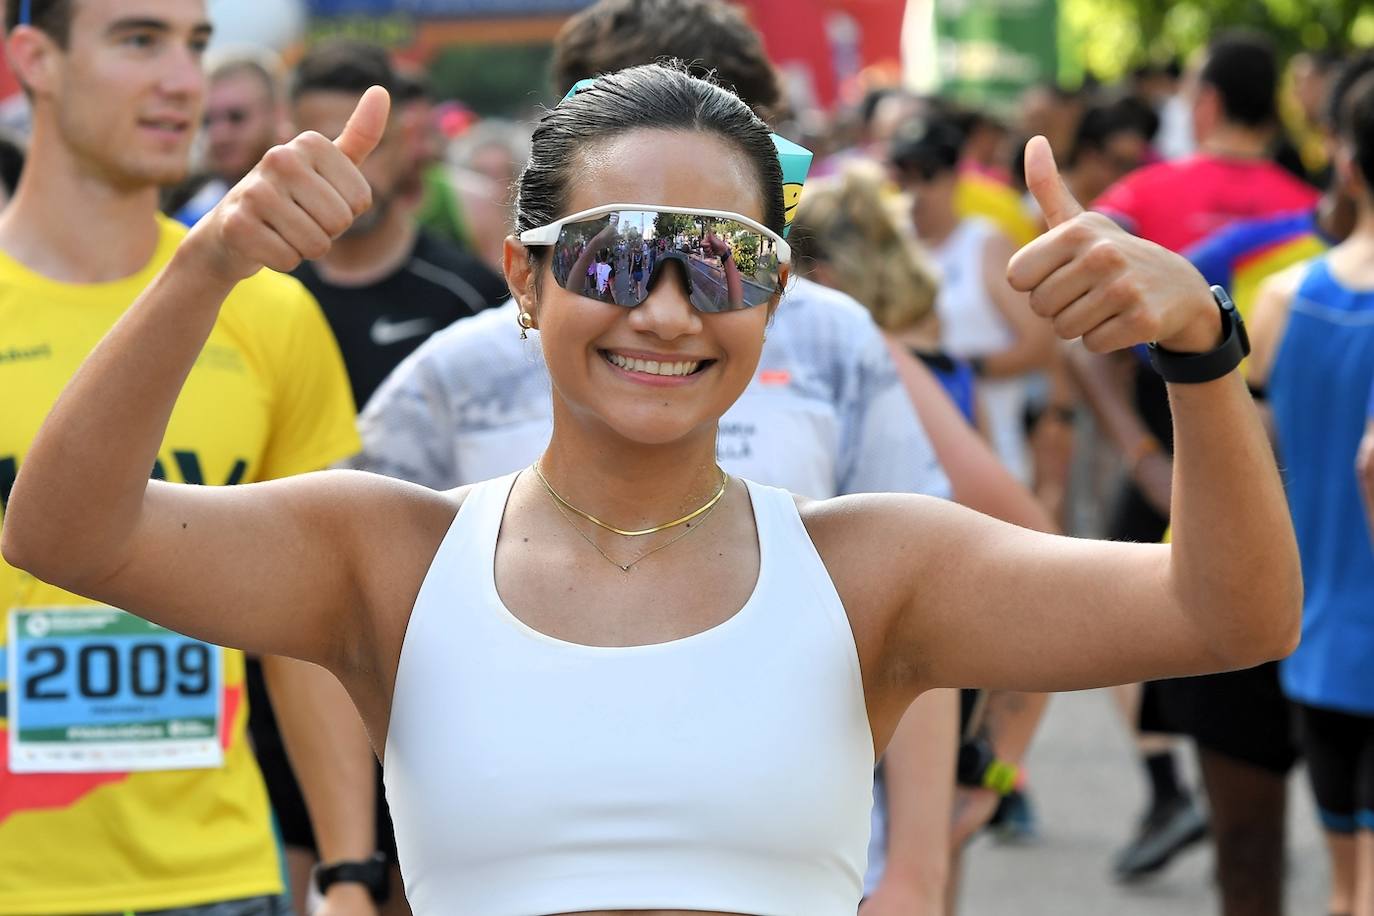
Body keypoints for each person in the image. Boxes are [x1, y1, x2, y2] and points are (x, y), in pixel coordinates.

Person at [2, 61, 1302, 916]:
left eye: (724, 262)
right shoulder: (391, 558)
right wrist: (208, 261)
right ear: (522, 278)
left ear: (775, 291)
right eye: (616, 258)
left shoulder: (871, 573)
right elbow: (64, 531)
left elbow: (1228, 618)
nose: (671, 310)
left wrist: (1199, 351)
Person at [0, 2, 378, 916]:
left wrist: (349, 872)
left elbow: (313, 623)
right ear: (34, 60)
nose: (182, 80)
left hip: (223, 876)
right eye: (139, 40)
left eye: (197, 45)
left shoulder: (267, 308)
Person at [1074, 30, 1320, 890]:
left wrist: (1140, 452)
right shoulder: (1316, 204)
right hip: (1297, 492)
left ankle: (1164, 785)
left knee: (1120, 631)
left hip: (1180, 476)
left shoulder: (1143, 193)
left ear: (1204, 103)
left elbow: (1081, 339)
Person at [790, 160, 1050, 909]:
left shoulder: (888, 371)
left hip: (904, 731)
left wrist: (998, 765)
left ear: (826, 280)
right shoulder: (925, 361)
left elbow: (1030, 541)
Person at [1245, 70, 1374, 916]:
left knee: (1342, 885)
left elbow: (1251, 478)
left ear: (1348, 160)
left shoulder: (1287, 301)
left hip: (1318, 637)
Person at [290, 40, 507, 409]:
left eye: (371, 145)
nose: (351, 170)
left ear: (406, 143)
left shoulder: (468, 295)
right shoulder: (258, 290)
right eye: (329, 148)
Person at [891, 114, 1055, 484]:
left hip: (993, 451)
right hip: (914, 459)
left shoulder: (984, 244)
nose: (914, 193)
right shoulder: (890, 248)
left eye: (927, 176)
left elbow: (1041, 343)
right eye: (904, 178)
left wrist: (956, 369)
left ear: (954, 177)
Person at [171, 49, 286, 225]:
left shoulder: (315, 205)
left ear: (277, 115)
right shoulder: (187, 221)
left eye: (236, 116)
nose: (219, 134)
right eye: (207, 121)